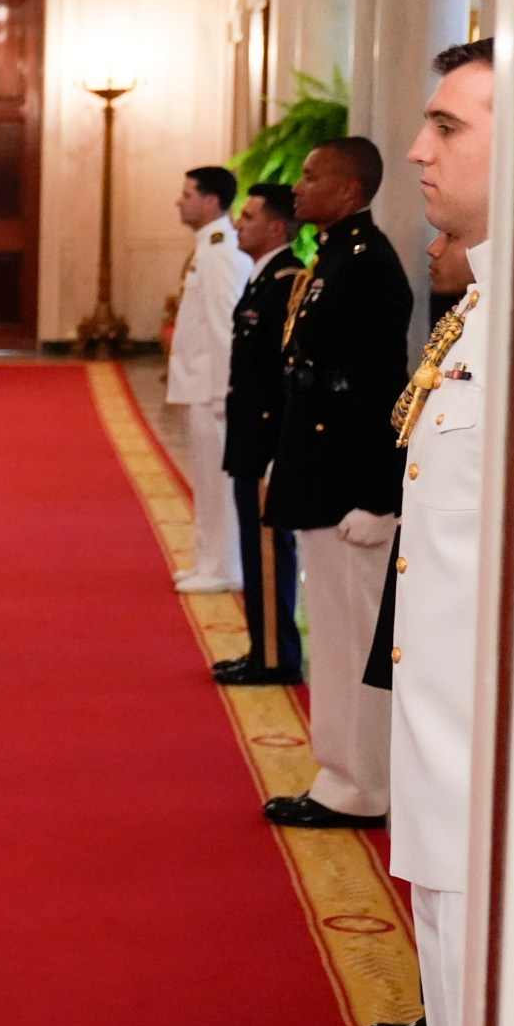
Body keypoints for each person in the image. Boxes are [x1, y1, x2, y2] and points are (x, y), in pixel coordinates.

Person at [368, 39, 497, 1026]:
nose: (420, 149)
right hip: (449, 784)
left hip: (500, 808)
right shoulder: (487, 310)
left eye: (450, 126)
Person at [261, 137, 412, 831]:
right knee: (332, 631)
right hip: (323, 476)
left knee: (352, 639)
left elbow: (383, 390)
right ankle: (340, 773)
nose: (299, 184)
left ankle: (359, 785)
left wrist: (379, 497)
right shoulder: (336, 257)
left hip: (350, 486)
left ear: (348, 192)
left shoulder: (367, 267)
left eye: (313, 175)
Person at [211, 183, 307, 686]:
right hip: (251, 439)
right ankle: (261, 649)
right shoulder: (262, 280)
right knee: (255, 546)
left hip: (267, 442)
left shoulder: (288, 284)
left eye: (247, 217)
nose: (237, 224)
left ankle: (275, 657)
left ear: (274, 227)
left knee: (269, 550)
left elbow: (286, 375)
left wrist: (278, 451)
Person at [166, 165, 251, 594]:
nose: (179, 201)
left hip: (211, 387)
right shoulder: (208, 247)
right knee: (205, 477)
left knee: (217, 483)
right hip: (199, 383)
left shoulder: (219, 252)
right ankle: (207, 560)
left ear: (211, 201)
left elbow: (224, 327)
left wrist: (223, 392)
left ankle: (221, 567)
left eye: (187, 194)